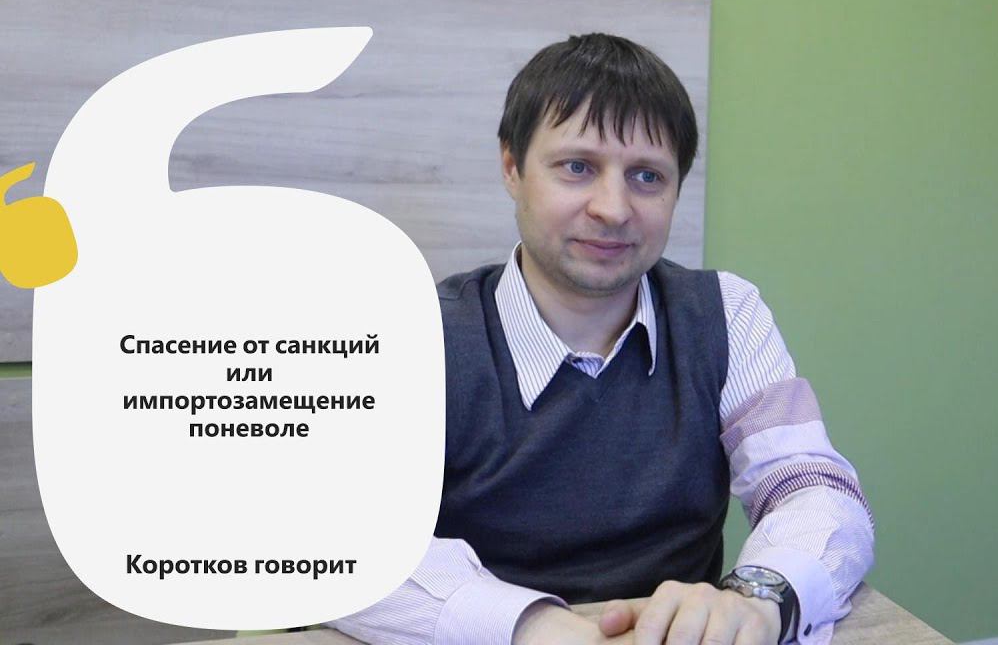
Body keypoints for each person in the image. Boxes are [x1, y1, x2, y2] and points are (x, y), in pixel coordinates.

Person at [328, 34, 875, 645]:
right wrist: (533, 626)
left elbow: (811, 486)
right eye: (577, 167)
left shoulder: (726, 313)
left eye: (647, 176)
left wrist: (760, 596)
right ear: (512, 167)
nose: (613, 209)